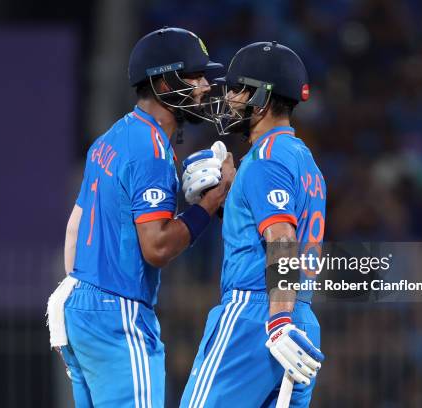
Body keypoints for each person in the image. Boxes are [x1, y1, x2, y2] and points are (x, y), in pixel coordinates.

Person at [47, 27, 235, 408]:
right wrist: (210, 204)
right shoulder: (151, 148)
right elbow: (157, 247)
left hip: (80, 305)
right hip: (118, 314)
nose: (203, 87)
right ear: (165, 83)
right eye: (194, 76)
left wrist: (78, 295)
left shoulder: (111, 138)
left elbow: (75, 226)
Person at [179, 41, 326, 408]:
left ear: (260, 98)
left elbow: (281, 239)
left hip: (255, 314)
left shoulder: (265, 161)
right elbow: (268, 231)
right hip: (301, 315)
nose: (227, 98)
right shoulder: (303, 161)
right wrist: (222, 203)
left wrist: (276, 323)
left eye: (236, 88)